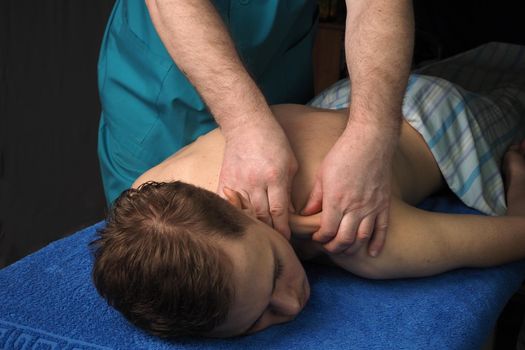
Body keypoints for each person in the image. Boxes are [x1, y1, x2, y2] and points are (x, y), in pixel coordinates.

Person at [91, 73, 525, 338]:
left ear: (246, 209)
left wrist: (518, 183)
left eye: (278, 270)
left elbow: (518, 235)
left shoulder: (367, 241)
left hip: (439, 120)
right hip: (339, 102)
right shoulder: (149, 191)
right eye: (257, 320)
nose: (292, 304)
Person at [97, 0, 415, 257]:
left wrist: (373, 134)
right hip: (164, 79)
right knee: (173, 257)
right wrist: (245, 123)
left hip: (280, 50)